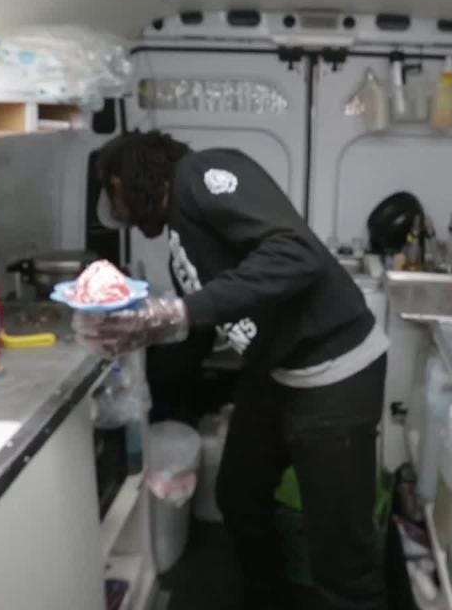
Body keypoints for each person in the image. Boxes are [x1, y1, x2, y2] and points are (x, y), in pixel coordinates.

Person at [79, 131, 388, 610]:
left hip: (334, 375)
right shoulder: (181, 229)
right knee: (240, 495)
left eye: (113, 192)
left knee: (342, 558)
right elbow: (208, 318)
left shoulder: (202, 174)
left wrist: (178, 312)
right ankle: (267, 600)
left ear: (127, 179)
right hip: (277, 374)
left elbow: (296, 253)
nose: (115, 209)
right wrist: (144, 340)